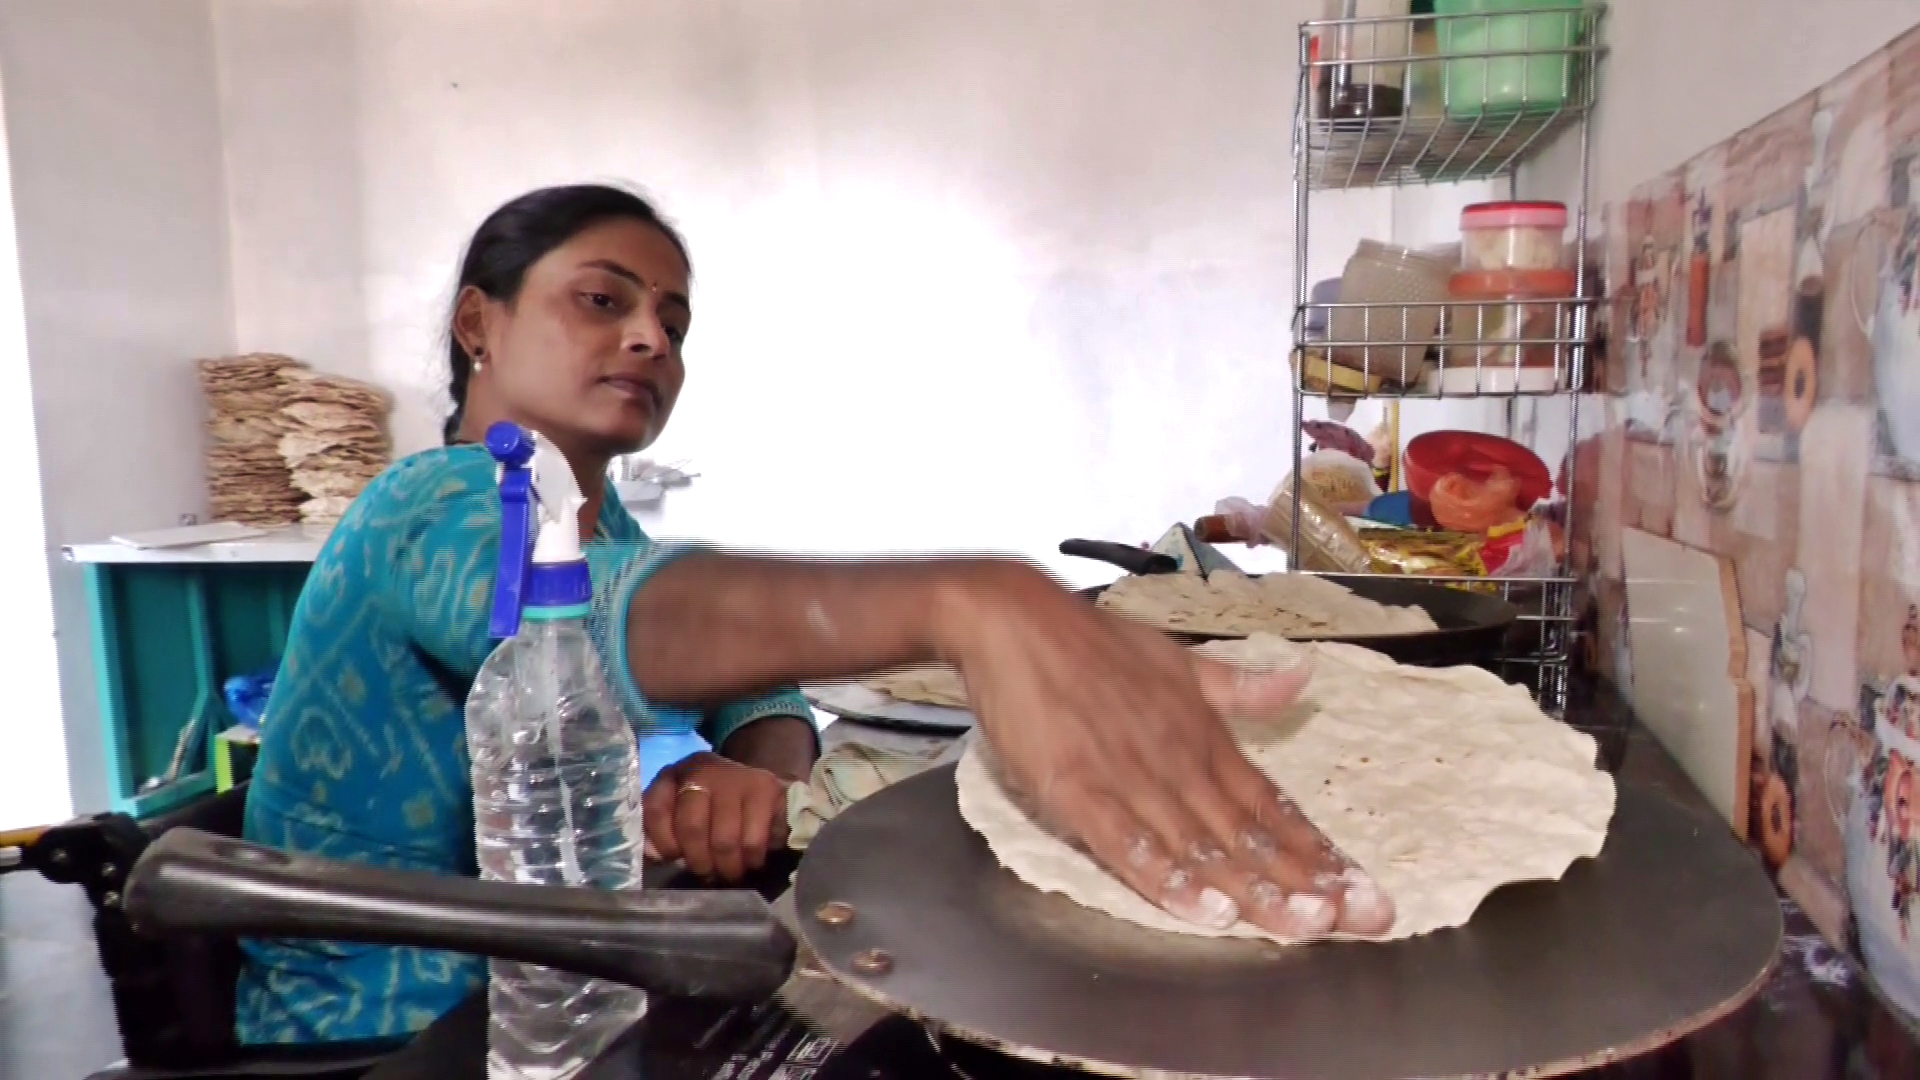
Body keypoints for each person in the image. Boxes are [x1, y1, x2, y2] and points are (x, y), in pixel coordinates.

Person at [236, 184, 1394, 1045]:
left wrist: (752, 764)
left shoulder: (606, 529)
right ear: (478, 324)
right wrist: (977, 605)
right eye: (603, 301)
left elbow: (759, 684)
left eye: (673, 322)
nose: (650, 339)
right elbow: (592, 631)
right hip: (400, 1033)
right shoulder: (425, 505)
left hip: (563, 1001)